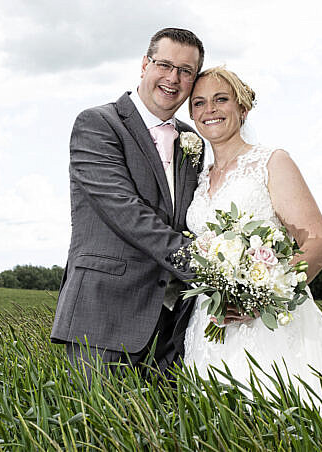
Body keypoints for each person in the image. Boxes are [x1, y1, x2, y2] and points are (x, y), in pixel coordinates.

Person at [181, 66, 322, 407]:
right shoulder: (198, 179)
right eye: (199, 103)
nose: (209, 110)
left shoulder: (272, 162)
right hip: (210, 321)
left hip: (269, 321)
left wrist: (259, 297)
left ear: (242, 109)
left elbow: (318, 244)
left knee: (286, 417)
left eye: (221, 100)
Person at [51, 27, 206, 381]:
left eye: (186, 71)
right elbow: (125, 211)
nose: (173, 78)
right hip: (105, 317)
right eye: (165, 65)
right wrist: (210, 269)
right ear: (144, 64)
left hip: (175, 328)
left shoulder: (193, 140)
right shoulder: (98, 124)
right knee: (97, 432)